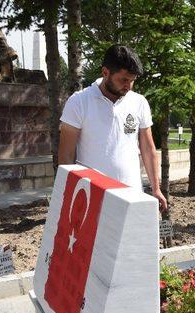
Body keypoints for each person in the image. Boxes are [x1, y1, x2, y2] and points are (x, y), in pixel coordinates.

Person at [58, 44, 167, 211]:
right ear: (105, 72)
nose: (128, 86)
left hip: (132, 195)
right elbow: (66, 155)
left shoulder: (139, 102)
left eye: (132, 81)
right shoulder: (79, 102)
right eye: (124, 80)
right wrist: (68, 194)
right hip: (92, 198)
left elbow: (148, 148)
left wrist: (156, 189)